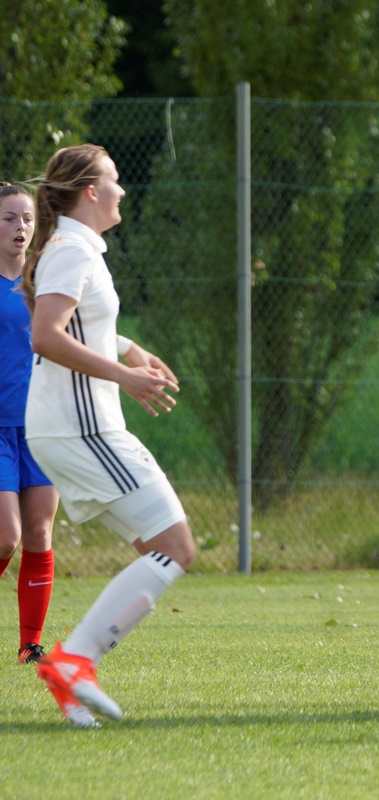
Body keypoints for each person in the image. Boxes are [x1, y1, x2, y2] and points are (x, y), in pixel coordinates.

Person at [22, 145, 195, 728]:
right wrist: (123, 376)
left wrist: (126, 347)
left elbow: (75, 323)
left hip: (74, 427)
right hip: (83, 428)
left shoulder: (76, 249)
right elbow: (45, 335)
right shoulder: (71, 250)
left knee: (165, 546)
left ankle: (71, 682)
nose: (122, 190)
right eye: (114, 181)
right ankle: (74, 661)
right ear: (90, 192)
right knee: (174, 545)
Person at [0, 182, 59, 665]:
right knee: (6, 537)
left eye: (26, 218)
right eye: (9, 219)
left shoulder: (45, 283)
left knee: (39, 535)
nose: (20, 227)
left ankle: (29, 646)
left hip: (40, 427)